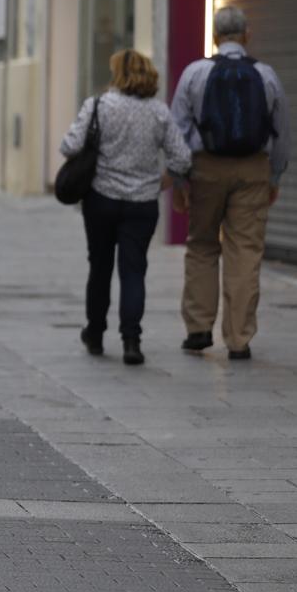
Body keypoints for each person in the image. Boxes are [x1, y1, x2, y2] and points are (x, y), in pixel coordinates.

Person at [171, 6, 290, 361]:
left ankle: (198, 329)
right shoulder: (266, 75)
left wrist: (179, 180)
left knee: (203, 245)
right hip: (252, 170)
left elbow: (178, 129)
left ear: (215, 36)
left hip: (205, 169)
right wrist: (274, 175)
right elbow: (282, 131)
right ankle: (239, 339)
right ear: (247, 35)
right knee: (245, 252)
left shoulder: (195, 73)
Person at [61, 49, 192, 365]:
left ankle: (95, 334)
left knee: (100, 267)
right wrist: (164, 181)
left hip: (101, 200)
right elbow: (183, 158)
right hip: (142, 204)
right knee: (134, 271)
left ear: (117, 74)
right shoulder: (159, 112)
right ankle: (132, 341)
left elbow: (69, 146)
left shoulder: (99, 105)